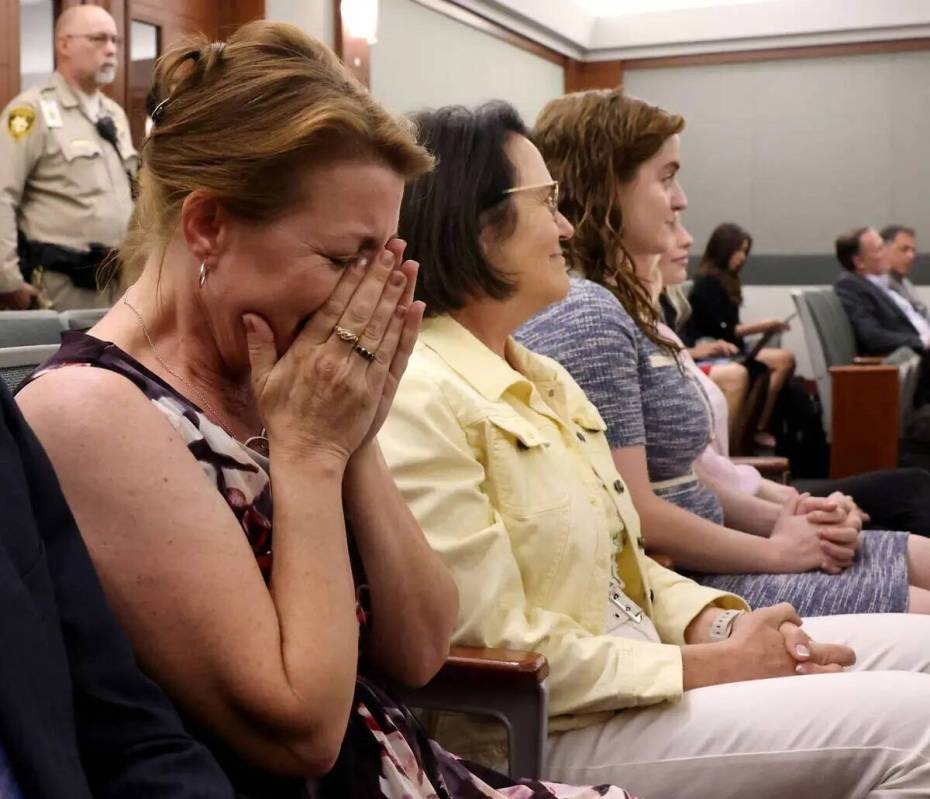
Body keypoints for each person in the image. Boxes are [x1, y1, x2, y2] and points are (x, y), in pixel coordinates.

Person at [15, 22, 635, 799]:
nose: (364, 296)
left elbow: (421, 647)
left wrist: (358, 433)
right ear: (209, 226)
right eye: (345, 260)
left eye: (382, 260)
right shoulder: (89, 411)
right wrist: (310, 453)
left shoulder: (286, 377)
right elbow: (302, 727)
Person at [379, 97, 930, 799]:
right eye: (546, 202)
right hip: (553, 726)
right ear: (476, 225)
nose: (566, 224)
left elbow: (627, 570)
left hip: (644, 669)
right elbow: (499, 645)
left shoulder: (539, 376)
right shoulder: (419, 394)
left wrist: (720, 619)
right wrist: (713, 663)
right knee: (920, 729)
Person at [517, 89, 930, 615]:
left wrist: (791, 516)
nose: (681, 199)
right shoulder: (586, 312)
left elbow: (686, 478)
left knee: (919, 552)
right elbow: (635, 511)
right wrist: (777, 550)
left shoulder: (618, 309)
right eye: (665, 176)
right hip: (690, 583)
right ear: (608, 184)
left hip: (722, 553)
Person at [0, 380, 234, 798]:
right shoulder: (82, 405)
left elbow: (122, 726)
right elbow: (302, 733)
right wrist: (315, 455)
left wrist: (350, 451)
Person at [658, 220, 930, 539]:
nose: (689, 239)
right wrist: (801, 519)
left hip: (758, 494)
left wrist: (799, 504)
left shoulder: (666, 331)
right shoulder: (657, 329)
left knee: (915, 485)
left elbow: (722, 477)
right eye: (670, 225)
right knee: (913, 490)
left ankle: (756, 430)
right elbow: (699, 500)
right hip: (753, 520)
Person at [0, 5, 138, 311]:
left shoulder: (113, 114)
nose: (111, 50)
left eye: (115, 41)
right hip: (61, 288)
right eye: (99, 39)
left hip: (118, 283)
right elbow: (2, 195)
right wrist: (6, 279)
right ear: (64, 45)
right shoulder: (30, 111)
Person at [682, 223, 794, 444]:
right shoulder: (706, 283)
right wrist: (763, 326)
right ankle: (744, 435)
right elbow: (722, 330)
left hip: (727, 346)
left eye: (745, 251)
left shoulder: (728, 280)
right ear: (724, 249)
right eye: (738, 250)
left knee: (783, 359)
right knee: (756, 368)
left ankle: (755, 426)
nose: (742, 257)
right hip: (708, 348)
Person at [834, 225, 929, 356]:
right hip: (914, 359)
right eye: (880, 249)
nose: (887, 252)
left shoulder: (887, 284)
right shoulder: (850, 285)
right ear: (859, 261)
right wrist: (922, 341)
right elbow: (873, 336)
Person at [882, 224, 926, 317]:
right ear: (884, 249)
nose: (911, 256)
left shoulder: (905, 282)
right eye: (904, 249)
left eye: (913, 251)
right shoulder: (879, 284)